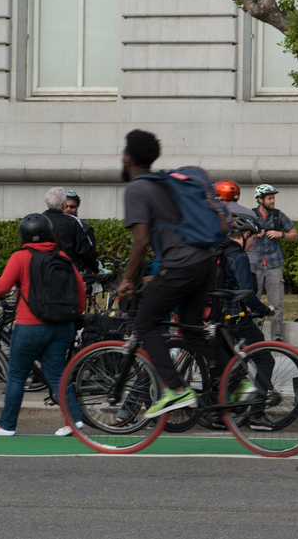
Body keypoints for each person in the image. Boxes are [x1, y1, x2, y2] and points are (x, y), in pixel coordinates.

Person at [114, 129, 217, 419]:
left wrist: (127, 278)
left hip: (179, 265)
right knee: (191, 329)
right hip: (203, 261)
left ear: (128, 157)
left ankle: (175, 388)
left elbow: (142, 239)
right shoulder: (163, 181)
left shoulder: (137, 188)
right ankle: (237, 380)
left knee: (145, 324)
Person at [0, 213, 86, 436]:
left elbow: (1, 288)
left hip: (30, 326)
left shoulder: (20, 257)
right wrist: (77, 315)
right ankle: (75, 421)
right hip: (63, 326)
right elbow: (80, 289)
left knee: (17, 375)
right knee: (57, 374)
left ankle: (7, 425)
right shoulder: (63, 256)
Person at [217, 213, 275, 431]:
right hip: (235, 319)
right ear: (246, 234)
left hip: (219, 318)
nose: (253, 245)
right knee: (266, 361)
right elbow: (247, 293)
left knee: (231, 367)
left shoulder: (221, 251)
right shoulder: (238, 256)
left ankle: (223, 413)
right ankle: (256, 414)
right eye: (253, 240)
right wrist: (264, 310)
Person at [248, 184, 298, 342]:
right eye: (269, 198)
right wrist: (256, 234)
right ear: (259, 199)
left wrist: (280, 234)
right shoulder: (250, 215)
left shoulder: (278, 215)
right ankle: (252, 338)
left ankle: (277, 339)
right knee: (251, 302)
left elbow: (294, 235)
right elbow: (241, 236)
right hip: (254, 264)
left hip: (274, 263)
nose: (272, 201)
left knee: (276, 303)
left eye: (273, 198)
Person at [43, 186, 98, 276]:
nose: (68, 209)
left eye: (72, 206)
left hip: (43, 273)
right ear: (63, 204)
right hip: (67, 273)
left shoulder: (38, 220)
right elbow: (85, 251)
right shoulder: (73, 222)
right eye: (67, 206)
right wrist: (95, 269)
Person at [60, 190, 98, 263]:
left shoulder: (86, 228)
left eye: (72, 206)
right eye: (65, 206)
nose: (68, 209)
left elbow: (90, 252)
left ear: (77, 208)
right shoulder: (53, 225)